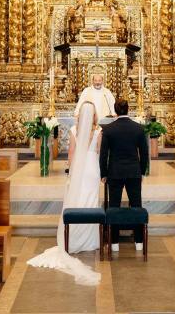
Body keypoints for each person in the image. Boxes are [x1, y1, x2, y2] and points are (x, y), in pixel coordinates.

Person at [27, 101, 101, 285]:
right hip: (93, 168)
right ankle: (90, 240)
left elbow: (72, 153)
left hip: (79, 168)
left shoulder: (74, 131)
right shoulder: (99, 132)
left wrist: (71, 172)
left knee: (76, 201)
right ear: (93, 115)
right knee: (91, 201)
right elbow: (99, 152)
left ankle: (74, 238)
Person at [99, 98, 149, 251]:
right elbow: (144, 153)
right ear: (128, 110)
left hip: (115, 172)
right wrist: (141, 171)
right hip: (133, 171)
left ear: (115, 111)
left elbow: (103, 154)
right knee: (136, 206)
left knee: (114, 207)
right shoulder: (138, 128)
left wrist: (104, 173)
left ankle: (114, 243)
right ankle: (139, 241)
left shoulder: (108, 129)